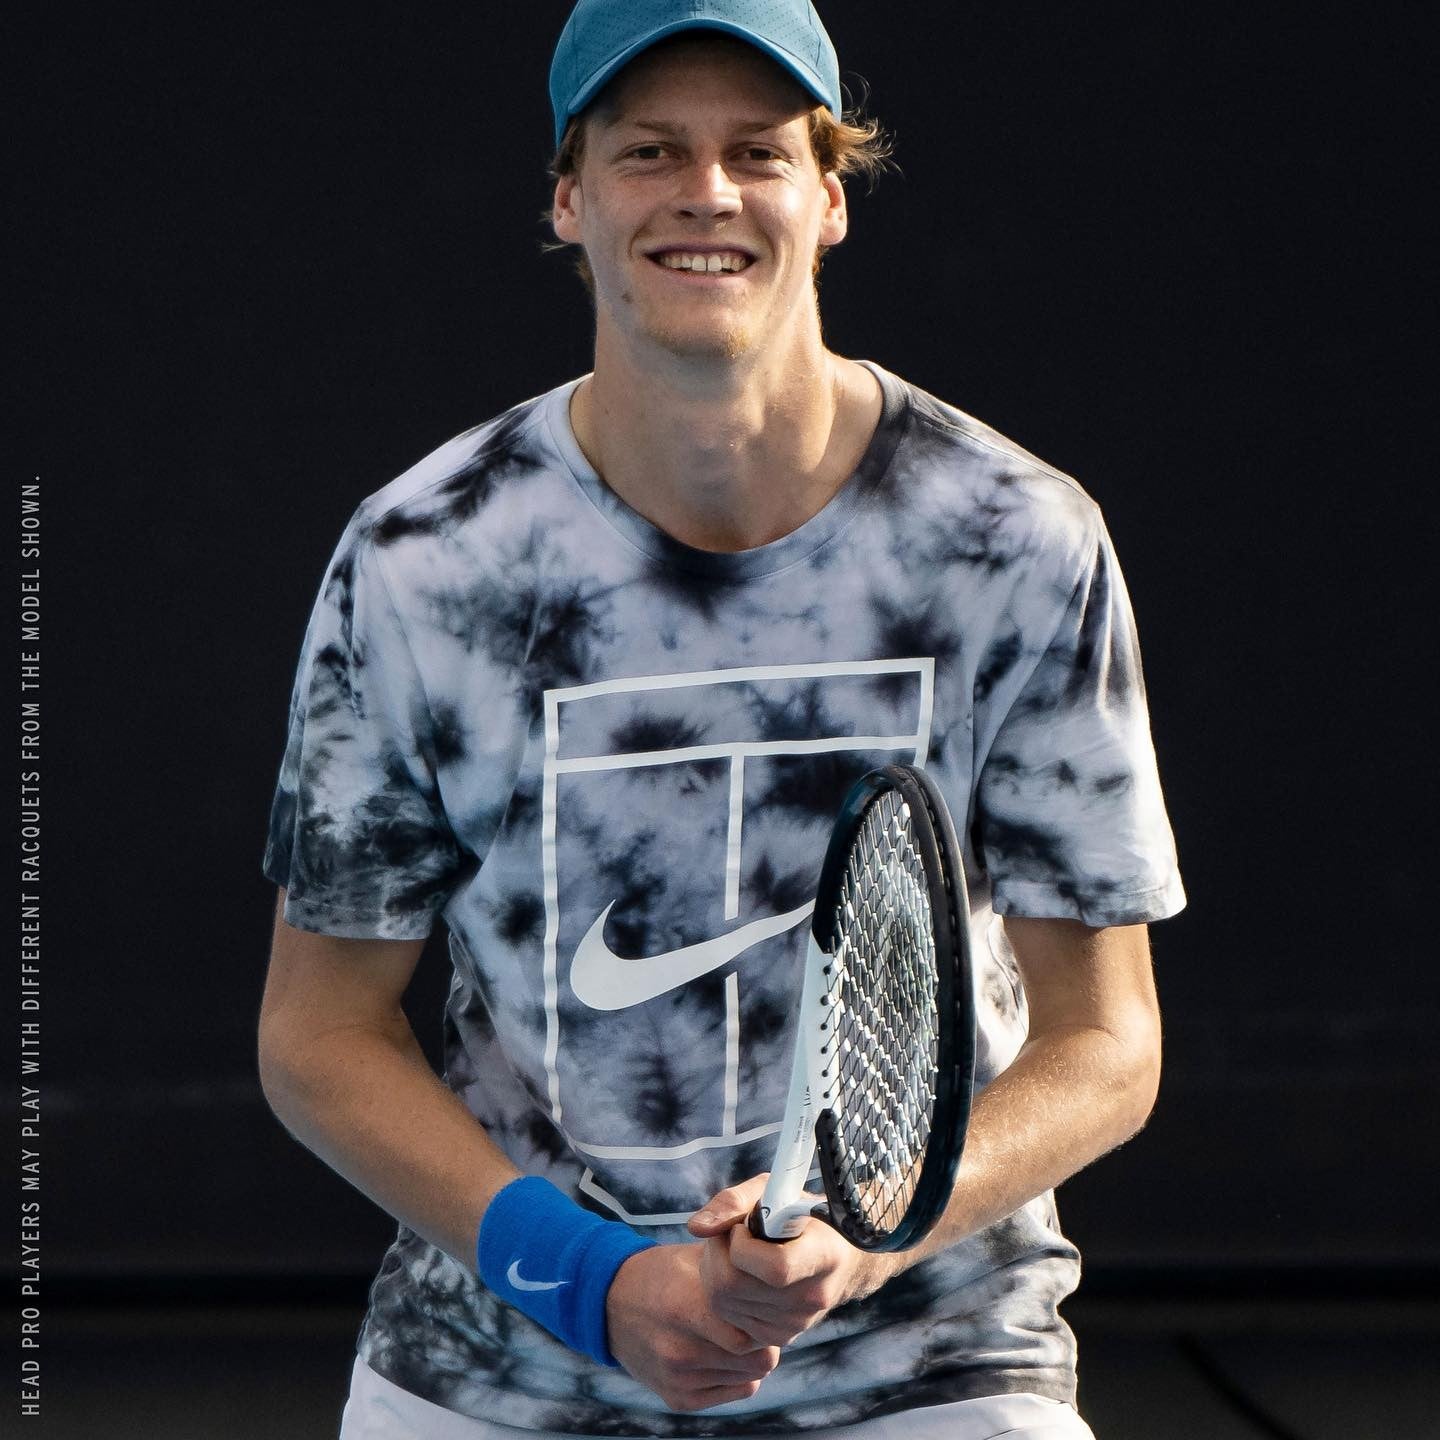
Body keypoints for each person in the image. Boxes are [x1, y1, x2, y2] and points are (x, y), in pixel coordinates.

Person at [258, 2, 1185, 1436]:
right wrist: (596, 1285)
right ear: (570, 200)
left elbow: (1109, 1042)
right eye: (650, 152)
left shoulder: (1017, 538)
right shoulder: (422, 559)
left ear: (829, 200)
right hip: (506, 1366)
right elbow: (317, 1038)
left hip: (933, 1363)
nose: (707, 192)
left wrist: (869, 1233)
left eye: (758, 153)